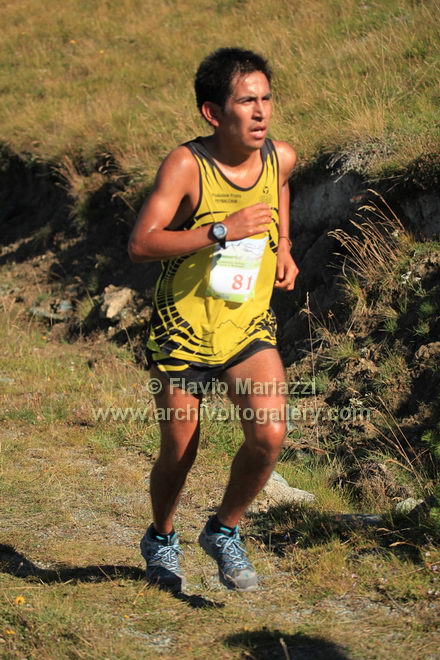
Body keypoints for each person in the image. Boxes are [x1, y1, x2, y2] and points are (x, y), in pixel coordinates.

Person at [128, 47, 299, 592]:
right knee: (180, 450)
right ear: (212, 112)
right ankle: (161, 536)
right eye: (246, 101)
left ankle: (224, 530)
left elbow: (280, 187)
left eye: (265, 98)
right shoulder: (187, 165)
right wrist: (222, 230)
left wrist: (284, 245)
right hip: (182, 328)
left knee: (269, 434)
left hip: (246, 325)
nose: (261, 111)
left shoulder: (280, 157)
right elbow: (141, 243)